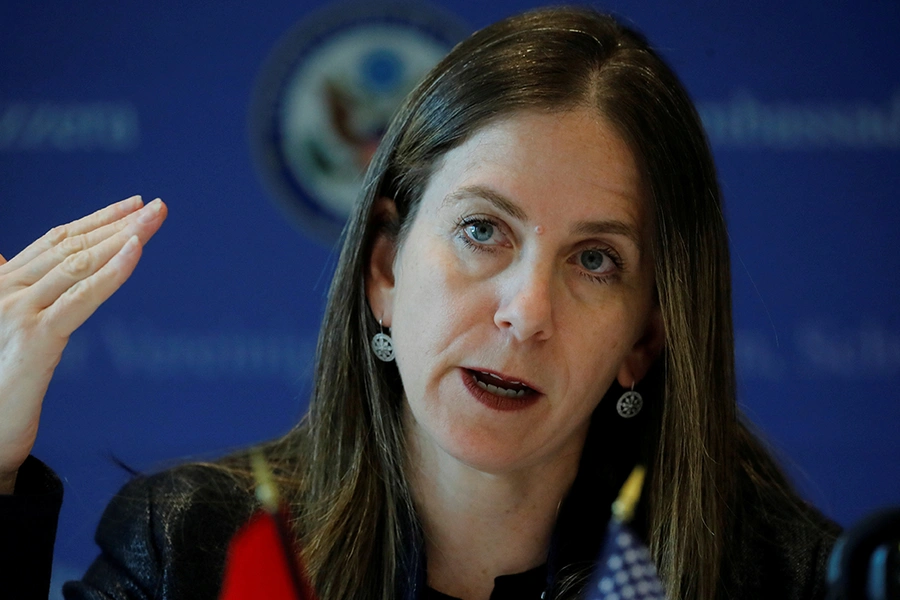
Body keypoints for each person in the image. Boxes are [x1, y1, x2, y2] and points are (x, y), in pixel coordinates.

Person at [0, 6, 839, 600]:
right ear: (385, 269)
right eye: (483, 230)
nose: (526, 311)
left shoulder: (788, 578)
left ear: (643, 342)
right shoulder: (191, 551)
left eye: (594, 260)